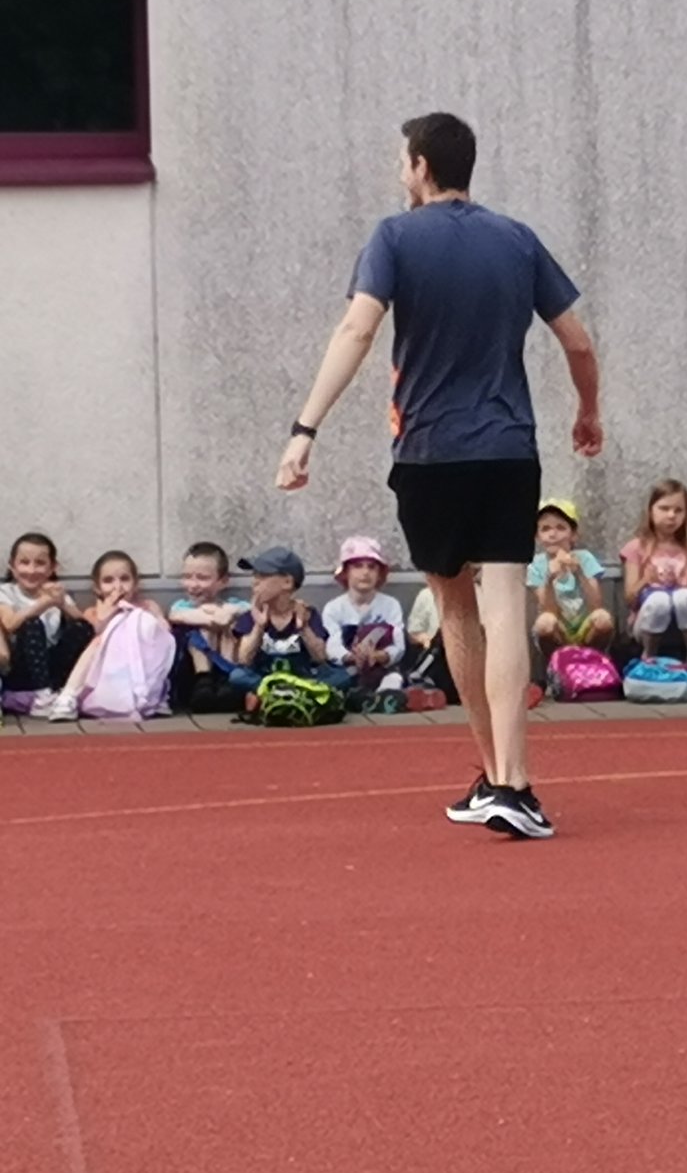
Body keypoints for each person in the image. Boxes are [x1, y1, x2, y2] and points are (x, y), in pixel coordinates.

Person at [274, 112, 601, 839]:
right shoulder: (517, 239)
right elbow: (577, 341)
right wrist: (588, 412)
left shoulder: (394, 237)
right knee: (505, 605)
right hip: (508, 447)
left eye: (403, 162)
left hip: (429, 452)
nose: (401, 174)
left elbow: (358, 329)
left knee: (456, 608)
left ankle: (499, 776)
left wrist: (305, 429)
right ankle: (510, 782)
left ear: (421, 166)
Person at [43, 551, 175, 722]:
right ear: (97, 588)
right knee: (100, 640)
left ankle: (153, 695)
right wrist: (108, 614)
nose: (117, 586)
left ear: (135, 583)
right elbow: (93, 636)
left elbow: (164, 634)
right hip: (109, 672)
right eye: (108, 581)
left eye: (124, 579)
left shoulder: (148, 606)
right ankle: (68, 695)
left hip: (143, 666)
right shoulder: (93, 612)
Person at [228, 548, 353, 697]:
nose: (255, 582)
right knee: (237, 676)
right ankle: (282, 691)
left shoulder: (307, 613)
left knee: (342, 677)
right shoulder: (251, 616)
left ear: (287, 582)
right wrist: (259, 626)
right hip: (266, 677)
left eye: (262, 576)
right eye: (254, 576)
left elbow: (320, 657)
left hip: (302, 678)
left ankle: (288, 692)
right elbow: (244, 659)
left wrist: (304, 627)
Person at [622, 479, 687, 669]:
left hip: (683, 626)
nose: (671, 515)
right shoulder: (637, 548)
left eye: (678, 510)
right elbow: (629, 599)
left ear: (686, 514)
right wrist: (646, 580)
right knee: (659, 600)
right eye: (664, 508)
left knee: (683, 597)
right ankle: (649, 655)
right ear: (650, 511)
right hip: (645, 624)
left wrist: (681, 582)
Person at [0, 532, 95, 715]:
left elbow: (84, 625)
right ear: (12, 566)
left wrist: (61, 603)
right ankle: (42, 696)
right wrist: (44, 603)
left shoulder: (55, 593)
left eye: (40, 563)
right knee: (31, 624)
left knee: (81, 627)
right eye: (24, 562)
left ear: (52, 568)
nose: (32, 570)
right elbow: (10, 623)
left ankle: (63, 690)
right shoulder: (6, 592)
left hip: (52, 666)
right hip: (21, 668)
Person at [323, 536, 409, 705]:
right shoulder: (334, 608)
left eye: (372, 567)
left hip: (381, 667)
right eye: (357, 566)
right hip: (347, 668)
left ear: (379, 574)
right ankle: (357, 697)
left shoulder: (390, 605)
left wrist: (380, 656)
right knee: (338, 680)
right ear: (346, 572)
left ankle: (384, 697)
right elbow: (332, 645)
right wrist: (351, 656)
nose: (365, 573)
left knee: (395, 677)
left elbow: (398, 643)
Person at [168, 540, 250, 712]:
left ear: (223, 581)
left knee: (235, 625)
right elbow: (176, 615)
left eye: (202, 578)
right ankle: (203, 680)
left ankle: (227, 680)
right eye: (187, 577)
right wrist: (210, 615)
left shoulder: (233, 604)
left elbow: (248, 609)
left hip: (228, 665)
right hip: (191, 675)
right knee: (197, 628)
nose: (193, 585)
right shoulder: (181, 606)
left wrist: (228, 612)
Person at [529, 497, 615, 661]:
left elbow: (596, 605)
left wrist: (579, 573)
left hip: (584, 627)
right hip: (558, 629)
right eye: (545, 529)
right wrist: (549, 579)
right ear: (537, 536)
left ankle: (591, 660)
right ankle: (556, 663)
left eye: (560, 528)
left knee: (603, 618)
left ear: (573, 534)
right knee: (545, 623)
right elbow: (548, 610)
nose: (552, 534)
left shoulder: (585, 558)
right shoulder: (536, 565)